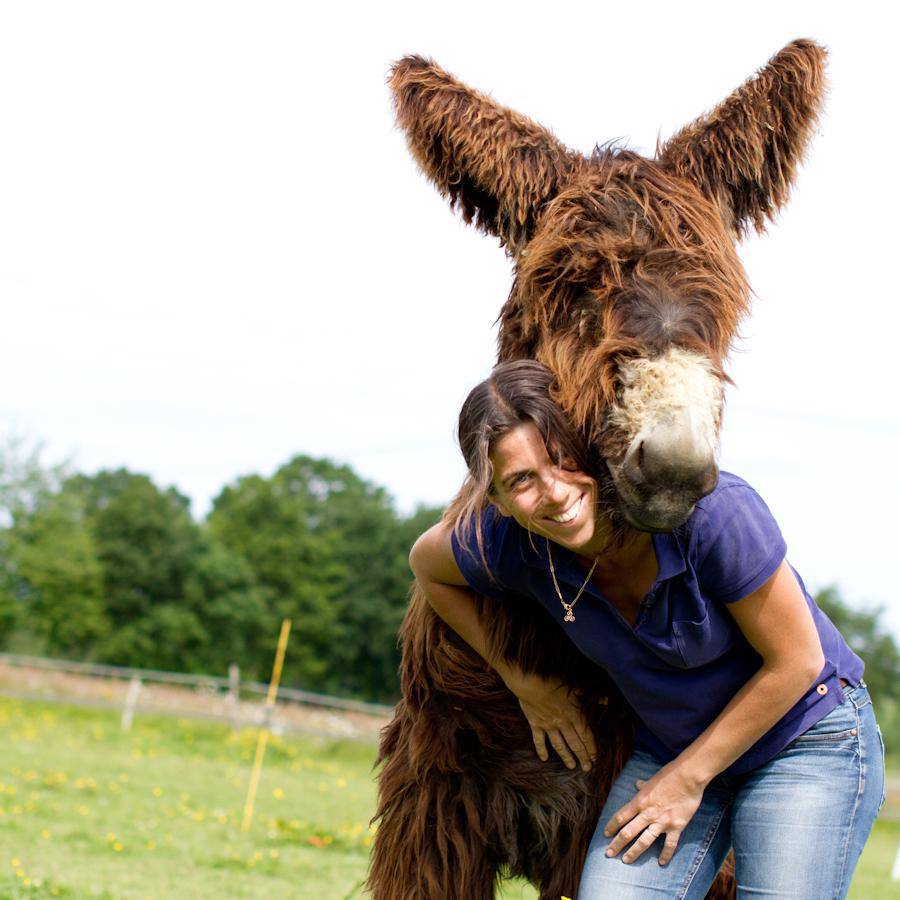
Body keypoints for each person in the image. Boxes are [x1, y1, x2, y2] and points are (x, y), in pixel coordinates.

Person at [409, 359, 885, 899]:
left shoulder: (711, 513)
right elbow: (427, 565)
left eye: (562, 459)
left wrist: (687, 781)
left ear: (595, 448)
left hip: (804, 737)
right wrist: (525, 683)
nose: (555, 492)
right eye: (521, 480)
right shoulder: (507, 542)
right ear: (493, 499)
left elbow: (798, 662)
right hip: (673, 746)